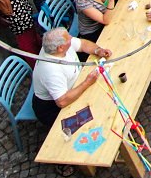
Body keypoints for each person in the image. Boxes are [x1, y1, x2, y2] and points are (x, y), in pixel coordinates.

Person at [31, 27, 112, 163]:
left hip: (71, 87)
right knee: (81, 128)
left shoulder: (60, 46)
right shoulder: (51, 69)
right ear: (61, 48)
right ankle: (65, 160)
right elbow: (62, 101)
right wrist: (86, 83)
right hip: (51, 107)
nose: (71, 38)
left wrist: (98, 50)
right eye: (68, 38)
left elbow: (83, 44)